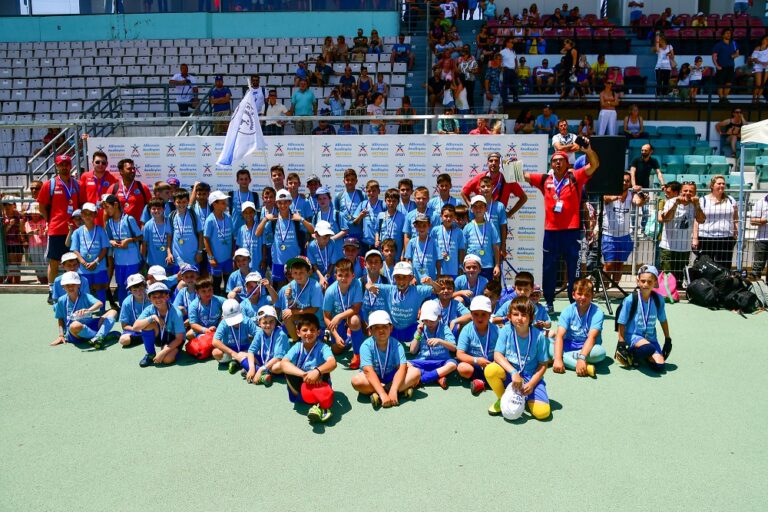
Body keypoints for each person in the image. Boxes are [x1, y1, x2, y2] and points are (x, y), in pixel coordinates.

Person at [523, 140, 599, 314]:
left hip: (572, 232)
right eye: (554, 160)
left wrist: (588, 150)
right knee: (548, 268)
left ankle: (575, 303)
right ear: (551, 164)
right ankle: (549, 302)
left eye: (561, 160)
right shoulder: (545, 179)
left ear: (567, 163)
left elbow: (595, 165)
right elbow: (524, 175)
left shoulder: (575, 177)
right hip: (551, 232)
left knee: (574, 269)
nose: (558, 163)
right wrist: (512, 165)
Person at [484, 297, 550, 418]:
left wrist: (532, 383)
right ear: (509, 316)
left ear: (531, 318)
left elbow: (543, 364)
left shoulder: (539, 336)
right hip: (511, 375)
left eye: (524, 315)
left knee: (542, 413)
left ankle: (525, 397)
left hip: (531, 377)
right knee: (490, 370)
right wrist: (513, 372)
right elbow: (497, 355)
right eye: (515, 314)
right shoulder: (506, 331)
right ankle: (502, 398)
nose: (519, 318)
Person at [351, 310, 420, 409]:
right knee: (356, 381)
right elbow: (368, 371)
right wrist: (383, 393)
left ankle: (382, 392)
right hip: (372, 379)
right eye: (376, 327)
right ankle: (394, 391)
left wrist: (394, 389)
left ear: (391, 328)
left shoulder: (397, 345)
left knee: (416, 372)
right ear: (370, 330)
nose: (381, 330)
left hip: (392, 377)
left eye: (384, 326)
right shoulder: (365, 346)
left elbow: (402, 368)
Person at [37, 154, 81, 304]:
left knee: (74, 262)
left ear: (70, 166)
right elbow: (41, 207)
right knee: (54, 262)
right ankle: (51, 291)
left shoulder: (76, 184)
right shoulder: (49, 185)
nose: (64, 167)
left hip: (74, 230)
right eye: (61, 164)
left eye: (67, 164)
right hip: (56, 230)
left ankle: (76, 289)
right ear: (56, 166)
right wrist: (51, 220)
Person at [280, 314, 337, 423]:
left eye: (312, 330)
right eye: (305, 330)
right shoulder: (297, 347)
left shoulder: (323, 347)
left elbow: (332, 362)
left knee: (325, 370)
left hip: (318, 382)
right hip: (302, 383)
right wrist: (304, 375)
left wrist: (317, 371)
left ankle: (319, 405)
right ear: (298, 333)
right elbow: (283, 363)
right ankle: (317, 403)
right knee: (288, 370)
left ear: (318, 332)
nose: (309, 333)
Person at [616, 265, 671, 373]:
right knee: (648, 348)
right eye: (643, 281)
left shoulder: (658, 299)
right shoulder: (630, 300)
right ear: (638, 281)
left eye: (649, 282)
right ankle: (631, 354)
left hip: (650, 338)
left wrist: (668, 339)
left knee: (660, 366)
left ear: (655, 282)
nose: (645, 284)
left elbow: (663, 320)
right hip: (633, 336)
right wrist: (621, 342)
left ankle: (644, 355)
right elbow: (621, 322)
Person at [51, 271, 117, 349]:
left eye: (73, 284)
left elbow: (100, 303)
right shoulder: (61, 300)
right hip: (75, 332)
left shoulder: (85, 296)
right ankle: (101, 336)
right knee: (75, 325)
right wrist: (61, 335)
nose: (70, 287)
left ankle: (98, 337)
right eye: (67, 285)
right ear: (63, 287)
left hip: (91, 325)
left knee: (113, 312)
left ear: (79, 285)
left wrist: (89, 310)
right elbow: (60, 318)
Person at [602, 173, 646, 286]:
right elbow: (605, 198)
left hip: (624, 235)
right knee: (608, 264)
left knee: (619, 264)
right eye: (623, 180)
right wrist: (617, 196)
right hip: (609, 235)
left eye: (627, 181)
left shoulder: (631, 195)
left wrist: (641, 195)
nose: (625, 183)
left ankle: (615, 287)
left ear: (630, 183)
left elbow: (639, 202)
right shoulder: (610, 192)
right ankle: (605, 287)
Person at [659, 181, 706, 283]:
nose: (688, 193)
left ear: (695, 193)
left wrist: (697, 205)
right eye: (685, 190)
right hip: (668, 247)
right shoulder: (671, 202)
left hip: (684, 248)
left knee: (679, 280)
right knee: (667, 279)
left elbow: (701, 220)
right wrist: (676, 204)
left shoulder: (695, 204)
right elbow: (666, 219)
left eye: (691, 191)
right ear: (680, 191)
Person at [132, 282, 186, 368]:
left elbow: (179, 338)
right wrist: (153, 317)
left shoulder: (176, 313)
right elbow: (135, 327)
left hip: (174, 339)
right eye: (154, 297)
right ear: (149, 299)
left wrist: (163, 352)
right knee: (148, 324)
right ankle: (150, 354)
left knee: (167, 359)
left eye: (161, 296)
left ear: (167, 296)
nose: (158, 299)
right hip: (160, 335)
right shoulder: (149, 309)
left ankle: (175, 351)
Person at [322, 258, 365, 366]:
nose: (343, 278)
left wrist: (339, 316)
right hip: (338, 322)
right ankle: (348, 336)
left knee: (354, 321)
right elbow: (326, 317)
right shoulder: (330, 291)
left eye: (347, 275)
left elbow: (356, 308)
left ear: (353, 275)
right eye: (340, 275)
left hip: (351, 315)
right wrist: (336, 336)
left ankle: (357, 354)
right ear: (335, 276)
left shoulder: (357, 284)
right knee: (337, 350)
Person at [461, 152, 528, 219]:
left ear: (500, 164)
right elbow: (464, 192)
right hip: (480, 218)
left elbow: (523, 198)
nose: (493, 163)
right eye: (491, 161)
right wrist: (471, 206)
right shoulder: (480, 178)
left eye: (496, 161)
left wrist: (510, 213)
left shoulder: (508, 180)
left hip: (498, 219)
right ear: (487, 163)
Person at [408, 301, 457, 389]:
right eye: (425, 320)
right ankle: (436, 377)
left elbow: (454, 348)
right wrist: (419, 333)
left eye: (432, 321)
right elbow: (412, 351)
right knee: (405, 364)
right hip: (423, 361)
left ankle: (421, 379)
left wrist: (440, 341)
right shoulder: (421, 329)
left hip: (441, 362)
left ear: (439, 317)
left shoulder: (444, 328)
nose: (429, 323)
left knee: (452, 365)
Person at [456, 296, 500, 395]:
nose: (479, 318)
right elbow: (460, 354)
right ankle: (485, 382)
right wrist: (476, 360)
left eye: (483, 314)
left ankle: (480, 383)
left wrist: (495, 363)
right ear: (471, 314)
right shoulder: (466, 330)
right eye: (476, 314)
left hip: (492, 364)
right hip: (474, 365)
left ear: (490, 314)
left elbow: (503, 352)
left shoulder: (497, 330)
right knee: (462, 368)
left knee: (504, 365)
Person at [693, 175, 739, 270]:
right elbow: (696, 221)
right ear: (712, 186)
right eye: (719, 183)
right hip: (706, 238)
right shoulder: (703, 200)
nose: (722, 185)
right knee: (705, 266)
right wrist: (695, 238)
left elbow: (735, 218)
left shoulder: (731, 200)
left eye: (723, 184)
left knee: (724, 266)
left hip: (726, 238)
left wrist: (736, 233)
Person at [275, 256, 325, 341]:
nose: (298, 276)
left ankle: (318, 334)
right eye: (295, 272)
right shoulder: (291, 285)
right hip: (300, 318)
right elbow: (292, 307)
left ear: (308, 272)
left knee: (313, 344)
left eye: (301, 272)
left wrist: (294, 312)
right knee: (286, 315)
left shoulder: (315, 286)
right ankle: (297, 341)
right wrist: (289, 297)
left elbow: (314, 309)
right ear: (291, 273)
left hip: (315, 320)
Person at [70, 202, 110, 305]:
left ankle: (101, 309)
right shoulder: (77, 232)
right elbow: (75, 249)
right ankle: (87, 310)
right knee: (84, 289)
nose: (88, 216)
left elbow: (104, 249)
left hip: (99, 266)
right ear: (82, 215)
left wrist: (96, 262)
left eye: (90, 214)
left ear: (95, 215)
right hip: (84, 267)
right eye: (85, 214)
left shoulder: (101, 230)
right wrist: (83, 262)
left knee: (100, 287)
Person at [242, 305, 288, 386]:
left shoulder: (281, 335)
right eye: (265, 322)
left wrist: (261, 370)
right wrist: (252, 368)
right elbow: (251, 351)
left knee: (276, 367)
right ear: (259, 323)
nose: (268, 325)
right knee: (241, 355)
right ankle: (262, 375)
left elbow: (278, 358)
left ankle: (259, 372)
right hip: (265, 361)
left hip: (275, 363)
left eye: (271, 322)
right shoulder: (260, 333)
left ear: (276, 321)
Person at [203, 190, 234, 295]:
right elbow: (206, 239)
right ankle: (216, 300)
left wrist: (232, 252)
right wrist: (211, 257)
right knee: (216, 283)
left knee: (228, 281)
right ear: (214, 204)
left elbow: (232, 236)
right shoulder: (210, 220)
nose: (225, 204)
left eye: (225, 202)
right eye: (222, 202)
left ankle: (227, 300)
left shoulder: (228, 217)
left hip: (228, 258)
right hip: (216, 259)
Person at [464, 196, 500, 280]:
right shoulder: (467, 227)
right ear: (471, 209)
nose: (478, 209)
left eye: (481, 206)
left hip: (487, 265)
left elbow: (495, 246)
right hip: (471, 266)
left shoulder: (491, 226)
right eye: (475, 207)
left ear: (486, 209)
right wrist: (462, 265)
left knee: (486, 287)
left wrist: (497, 265)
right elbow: (464, 248)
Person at [78, 151, 117, 226]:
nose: (100, 164)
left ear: (107, 164)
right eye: (97, 162)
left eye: (103, 163)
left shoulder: (113, 179)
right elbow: (82, 200)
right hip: (90, 218)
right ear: (92, 163)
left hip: (108, 219)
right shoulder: (85, 176)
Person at [110, 158, 151, 224]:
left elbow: (150, 208)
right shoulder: (114, 188)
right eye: (129, 169)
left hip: (138, 228)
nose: (133, 171)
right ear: (121, 171)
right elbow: (106, 211)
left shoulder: (142, 187)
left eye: (133, 168)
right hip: (119, 228)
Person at [118, 273, 149, 347]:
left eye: (141, 289)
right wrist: (138, 329)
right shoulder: (126, 303)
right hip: (134, 329)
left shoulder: (152, 298)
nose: (138, 292)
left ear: (145, 286)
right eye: (135, 290)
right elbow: (124, 326)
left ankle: (148, 336)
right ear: (130, 291)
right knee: (123, 340)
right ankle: (145, 338)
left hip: (151, 327)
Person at [712, 29, 740, 103]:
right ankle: (721, 98)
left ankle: (725, 97)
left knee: (729, 82)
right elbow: (714, 56)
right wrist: (717, 66)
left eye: (729, 33)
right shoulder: (719, 44)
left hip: (731, 66)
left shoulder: (733, 43)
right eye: (727, 33)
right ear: (723, 35)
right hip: (721, 66)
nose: (728, 34)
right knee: (720, 83)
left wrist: (734, 55)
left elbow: (737, 53)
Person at [750, 192, 768, 280]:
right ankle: (756, 286)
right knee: (757, 269)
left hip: (762, 239)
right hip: (762, 239)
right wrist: (765, 220)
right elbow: (752, 221)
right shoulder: (760, 203)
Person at [751, 36, 768, 103]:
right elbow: (754, 58)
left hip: (766, 67)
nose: (767, 40)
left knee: (763, 84)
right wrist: (761, 62)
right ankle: (753, 99)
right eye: (766, 39)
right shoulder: (758, 48)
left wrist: (766, 63)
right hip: (758, 67)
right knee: (758, 84)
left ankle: (758, 98)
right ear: (762, 40)